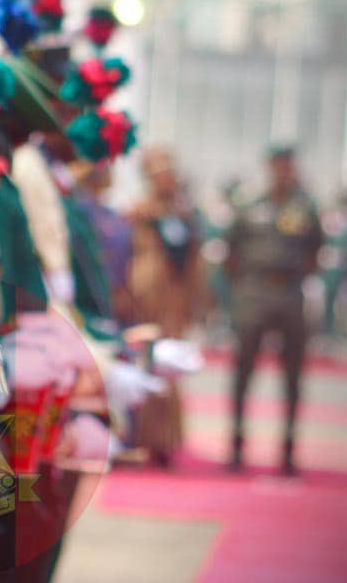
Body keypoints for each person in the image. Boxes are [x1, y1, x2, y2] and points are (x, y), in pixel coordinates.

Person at [226, 145, 322, 475]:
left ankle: (288, 452)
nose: (283, 171)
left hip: (291, 291)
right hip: (254, 290)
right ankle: (237, 447)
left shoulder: (306, 206)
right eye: (278, 165)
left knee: (293, 374)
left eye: (288, 165)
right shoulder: (250, 204)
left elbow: (316, 250)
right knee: (243, 370)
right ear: (269, 167)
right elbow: (231, 250)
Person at [126, 147, 206, 466]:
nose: (166, 180)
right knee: (142, 366)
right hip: (145, 303)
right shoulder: (138, 215)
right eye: (160, 173)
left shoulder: (184, 217)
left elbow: (194, 264)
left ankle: (166, 440)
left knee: (170, 371)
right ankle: (139, 438)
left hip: (174, 304)